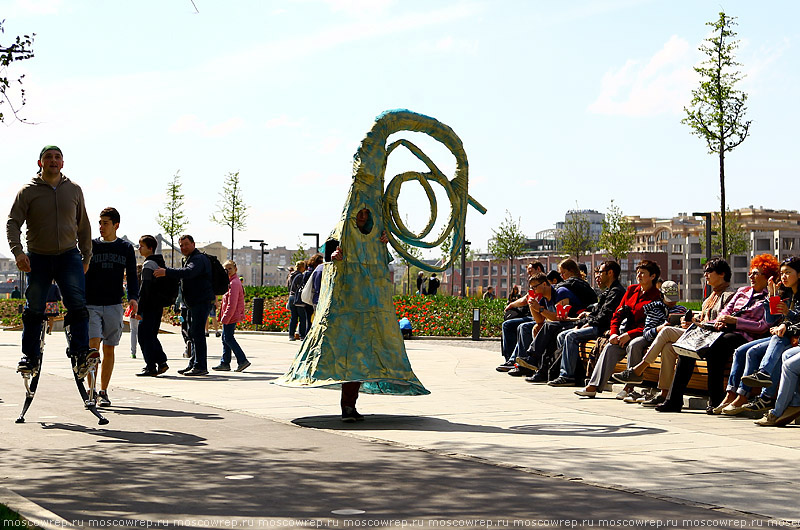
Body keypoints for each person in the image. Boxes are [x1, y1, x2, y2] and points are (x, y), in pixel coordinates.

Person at [7, 145, 96, 379]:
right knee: (34, 307)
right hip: (38, 257)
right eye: (48, 157)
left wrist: (86, 256)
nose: (53, 160)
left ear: (63, 163)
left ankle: (80, 352)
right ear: (40, 163)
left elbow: (84, 226)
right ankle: (30, 356)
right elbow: (13, 222)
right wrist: (18, 252)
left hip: (69, 255)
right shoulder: (28, 191)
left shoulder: (74, 190)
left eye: (57, 157)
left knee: (77, 304)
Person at [655, 254, 777, 413]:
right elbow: (725, 312)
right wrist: (717, 322)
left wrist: (736, 322)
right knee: (688, 349)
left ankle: (715, 399)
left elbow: (762, 326)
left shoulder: (770, 297)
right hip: (723, 331)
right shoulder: (742, 291)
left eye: (756, 273)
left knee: (717, 348)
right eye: (751, 273)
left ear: (767, 276)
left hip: (744, 336)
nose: (751, 276)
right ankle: (674, 400)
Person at [611, 258, 736, 407]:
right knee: (668, 348)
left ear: (722, 274)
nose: (705, 275)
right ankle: (667, 395)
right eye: (704, 272)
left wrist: (697, 324)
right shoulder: (710, 297)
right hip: (699, 335)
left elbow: (721, 322)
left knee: (667, 331)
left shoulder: (730, 295)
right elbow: (701, 319)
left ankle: (639, 369)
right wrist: (690, 322)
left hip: (711, 337)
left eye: (709, 271)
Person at [716, 256, 800, 415]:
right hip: (782, 335)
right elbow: (771, 319)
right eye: (782, 273)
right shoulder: (784, 293)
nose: (784, 277)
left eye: (788, 273)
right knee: (747, 351)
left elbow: (769, 324)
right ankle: (739, 395)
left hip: (790, 338)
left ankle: (765, 394)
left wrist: (787, 318)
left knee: (776, 342)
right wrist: (772, 298)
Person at [575, 260, 663, 398]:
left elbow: (651, 323)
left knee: (634, 345)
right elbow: (617, 314)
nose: (639, 275)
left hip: (644, 335)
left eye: (643, 273)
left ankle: (629, 387)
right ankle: (593, 386)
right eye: (638, 272)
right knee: (610, 347)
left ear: (652, 276)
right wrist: (614, 333)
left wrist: (629, 334)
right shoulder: (631, 290)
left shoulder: (656, 296)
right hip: (624, 335)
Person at [84, 207, 139, 407]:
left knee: (109, 349)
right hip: (91, 304)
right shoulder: (90, 246)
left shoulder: (125, 248)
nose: (101, 227)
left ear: (116, 225)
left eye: (105, 223)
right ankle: (90, 392)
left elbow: (132, 275)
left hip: (114, 304)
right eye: (99, 223)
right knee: (92, 349)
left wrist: (133, 297)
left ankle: (103, 391)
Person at [548, 261, 625, 387]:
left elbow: (605, 317)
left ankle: (567, 376)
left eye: (601, 272)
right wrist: (582, 322)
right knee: (562, 335)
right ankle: (577, 372)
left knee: (570, 336)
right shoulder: (608, 291)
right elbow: (595, 312)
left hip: (602, 328)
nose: (598, 276)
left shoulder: (616, 292)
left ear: (610, 273)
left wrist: (588, 323)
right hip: (595, 325)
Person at [154, 234, 214, 376]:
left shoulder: (198, 259)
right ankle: (194, 363)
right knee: (194, 333)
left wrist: (166, 272)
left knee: (197, 333)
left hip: (201, 301)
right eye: (181, 245)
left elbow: (189, 272)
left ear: (193, 244)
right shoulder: (190, 258)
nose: (183, 247)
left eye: (186, 244)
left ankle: (200, 366)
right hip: (195, 301)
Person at [514, 272, 586, 382]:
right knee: (540, 328)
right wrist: (532, 305)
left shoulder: (560, 292)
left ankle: (534, 360)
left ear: (544, 284)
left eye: (535, 287)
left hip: (575, 322)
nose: (534, 290)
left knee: (549, 327)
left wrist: (540, 309)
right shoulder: (544, 298)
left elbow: (559, 317)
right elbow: (539, 320)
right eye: (532, 288)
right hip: (559, 326)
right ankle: (540, 369)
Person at [498, 261, 545, 372]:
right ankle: (510, 359)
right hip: (533, 315)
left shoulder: (543, 283)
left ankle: (519, 361)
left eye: (530, 271)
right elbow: (525, 299)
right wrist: (511, 305)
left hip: (541, 316)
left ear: (538, 269)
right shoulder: (534, 284)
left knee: (523, 327)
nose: (528, 274)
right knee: (507, 325)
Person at [135, 235, 171, 377]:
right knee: (150, 335)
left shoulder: (149, 264)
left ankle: (151, 366)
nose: (139, 248)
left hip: (149, 306)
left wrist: (140, 308)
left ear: (150, 248)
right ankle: (161, 362)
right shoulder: (159, 262)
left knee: (144, 336)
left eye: (141, 246)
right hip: (157, 305)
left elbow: (145, 288)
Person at [212, 260, 251, 372]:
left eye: (230, 268)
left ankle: (242, 360)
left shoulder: (234, 283)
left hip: (231, 315)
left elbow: (232, 303)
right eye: (226, 269)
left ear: (235, 269)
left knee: (228, 338)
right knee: (225, 339)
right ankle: (225, 363)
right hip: (229, 315)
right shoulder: (230, 282)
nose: (228, 271)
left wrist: (226, 317)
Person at [287, 261, 306, 341]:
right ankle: (302, 335)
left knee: (293, 317)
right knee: (302, 317)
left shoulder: (290, 275)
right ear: (302, 267)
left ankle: (291, 335)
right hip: (298, 298)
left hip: (291, 297)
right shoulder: (300, 276)